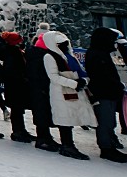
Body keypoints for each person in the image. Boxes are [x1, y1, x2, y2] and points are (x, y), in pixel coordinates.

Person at [38, 29, 94, 160]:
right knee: (64, 117)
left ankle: (69, 144)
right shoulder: (49, 56)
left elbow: (81, 71)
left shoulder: (69, 56)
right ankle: (67, 145)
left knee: (72, 115)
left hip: (74, 88)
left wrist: (83, 80)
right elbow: (54, 77)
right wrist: (74, 83)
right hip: (61, 91)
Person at [84, 27, 127, 162]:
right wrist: (120, 86)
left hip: (109, 92)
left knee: (110, 121)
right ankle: (106, 148)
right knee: (105, 121)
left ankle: (110, 145)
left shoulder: (102, 53)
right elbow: (103, 76)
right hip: (103, 93)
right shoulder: (97, 54)